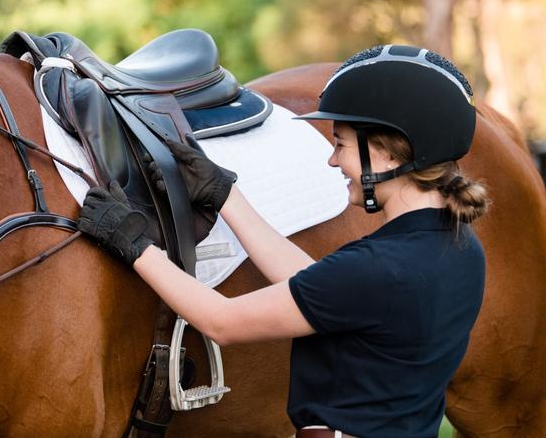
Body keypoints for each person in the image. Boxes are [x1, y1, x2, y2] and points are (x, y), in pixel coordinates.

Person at [78, 44, 489, 438]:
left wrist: (134, 244)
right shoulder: (460, 248)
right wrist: (225, 195)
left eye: (341, 144)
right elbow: (322, 288)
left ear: (390, 154)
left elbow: (222, 321)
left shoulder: (376, 267)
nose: (332, 159)